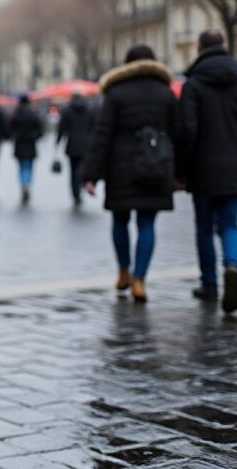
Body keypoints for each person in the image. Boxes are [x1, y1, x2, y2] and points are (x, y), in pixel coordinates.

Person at [177, 29, 237, 313]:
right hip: (236, 165)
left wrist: (181, 169)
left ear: (200, 48)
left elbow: (187, 130)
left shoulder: (194, 84)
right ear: (225, 47)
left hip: (203, 168)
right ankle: (232, 265)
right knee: (229, 223)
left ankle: (210, 284)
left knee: (204, 226)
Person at [82, 45, 177, 303]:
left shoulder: (116, 93)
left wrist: (90, 174)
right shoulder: (165, 93)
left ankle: (123, 271)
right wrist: (180, 172)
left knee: (120, 221)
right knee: (147, 224)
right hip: (157, 165)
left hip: (120, 167)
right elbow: (180, 134)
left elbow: (102, 135)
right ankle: (140, 279)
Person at [57, 92, 96, 208]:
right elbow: (94, 128)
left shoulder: (67, 111)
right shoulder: (89, 110)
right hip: (86, 145)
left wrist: (57, 142)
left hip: (72, 144)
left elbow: (62, 128)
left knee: (73, 170)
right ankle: (80, 186)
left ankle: (75, 192)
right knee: (82, 168)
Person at [10, 94, 43, 204]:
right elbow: (40, 131)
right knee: (29, 166)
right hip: (30, 144)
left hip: (20, 144)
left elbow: (10, 130)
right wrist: (33, 136)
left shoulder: (15, 114)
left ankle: (24, 184)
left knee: (21, 167)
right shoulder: (33, 114)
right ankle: (27, 183)